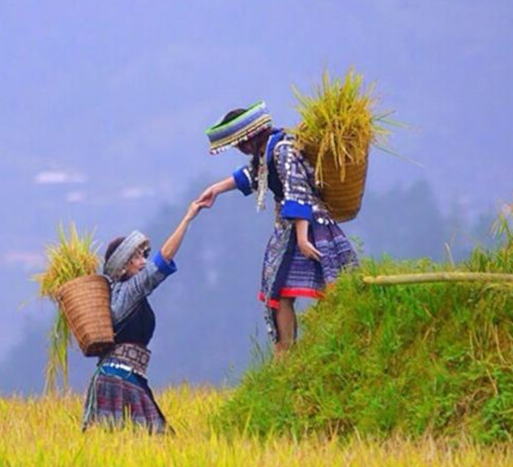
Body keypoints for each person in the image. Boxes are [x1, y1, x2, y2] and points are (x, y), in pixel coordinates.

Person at [197, 101, 358, 353]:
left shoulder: (282, 150)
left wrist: (303, 239)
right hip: (289, 228)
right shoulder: (266, 154)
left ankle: (333, 344)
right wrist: (216, 189)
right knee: (279, 292)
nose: (239, 149)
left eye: (239, 143)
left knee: (330, 287)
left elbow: (298, 192)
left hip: (311, 225)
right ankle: (286, 350)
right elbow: (252, 175)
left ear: (249, 138)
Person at [81, 200, 205, 434]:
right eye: (137, 257)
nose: (143, 262)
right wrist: (188, 217)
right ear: (123, 266)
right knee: (154, 440)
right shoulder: (128, 291)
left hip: (124, 376)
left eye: (142, 256)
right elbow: (164, 258)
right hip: (119, 379)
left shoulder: (123, 294)